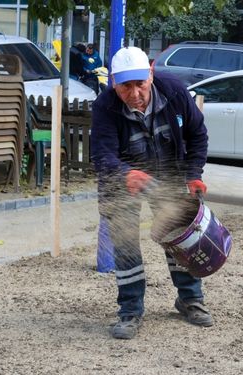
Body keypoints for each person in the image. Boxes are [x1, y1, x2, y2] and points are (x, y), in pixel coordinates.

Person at [90, 46, 212, 340]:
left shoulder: (174, 92)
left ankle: (189, 299)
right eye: (125, 86)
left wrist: (194, 174)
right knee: (126, 245)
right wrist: (125, 173)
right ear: (113, 84)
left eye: (140, 84)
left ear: (151, 73)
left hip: (168, 172)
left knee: (181, 235)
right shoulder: (105, 107)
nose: (134, 94)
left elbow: (198, 134)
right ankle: (130, 310)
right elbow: (102, 154)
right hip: (123, 180)